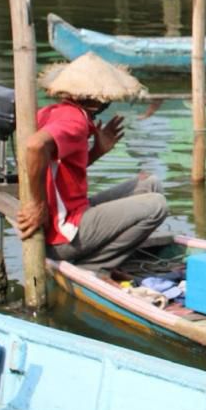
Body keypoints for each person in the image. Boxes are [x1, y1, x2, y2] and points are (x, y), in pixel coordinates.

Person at [17, 53, 167, 271]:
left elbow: (58, 168)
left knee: (150, 184)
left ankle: (103, 254)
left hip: (72, 213)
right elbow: (35, 146)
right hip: (64, 233)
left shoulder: (55, 112)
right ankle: (93, 267)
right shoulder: (74, 121)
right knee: (157, 205)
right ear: (98, 98)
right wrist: (37, 206)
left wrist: (97, 151)